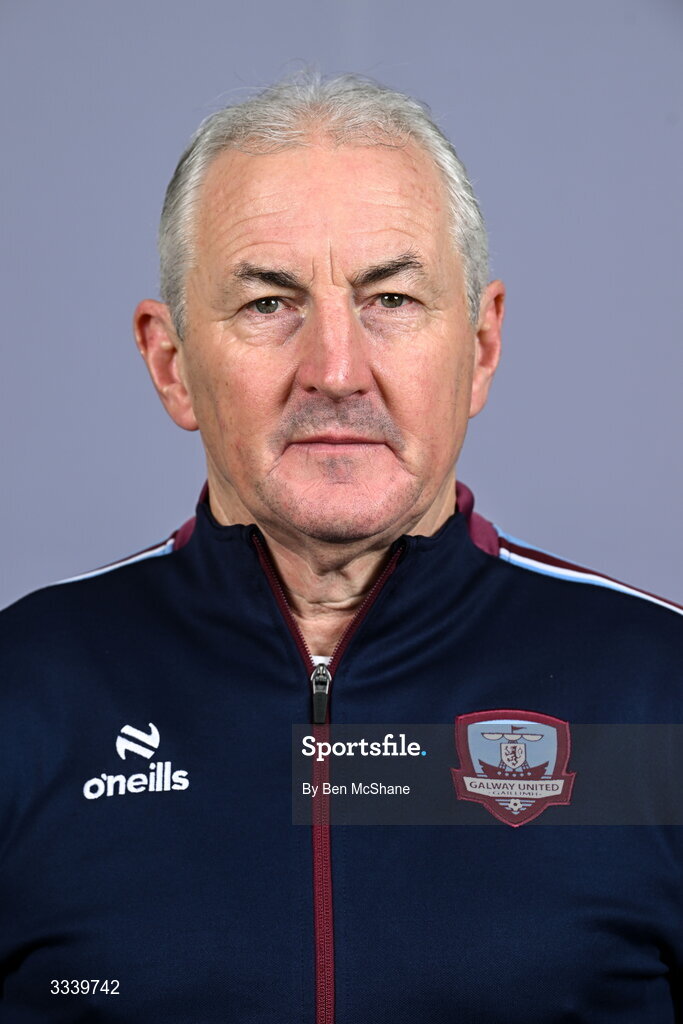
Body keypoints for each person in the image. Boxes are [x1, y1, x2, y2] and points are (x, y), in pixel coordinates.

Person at [0, 73, 681, 1024]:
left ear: (480, 347)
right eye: (268, 304)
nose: (333, 368)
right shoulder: (23, 693)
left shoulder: (660, 693)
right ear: (172, 364)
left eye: (392, 299)